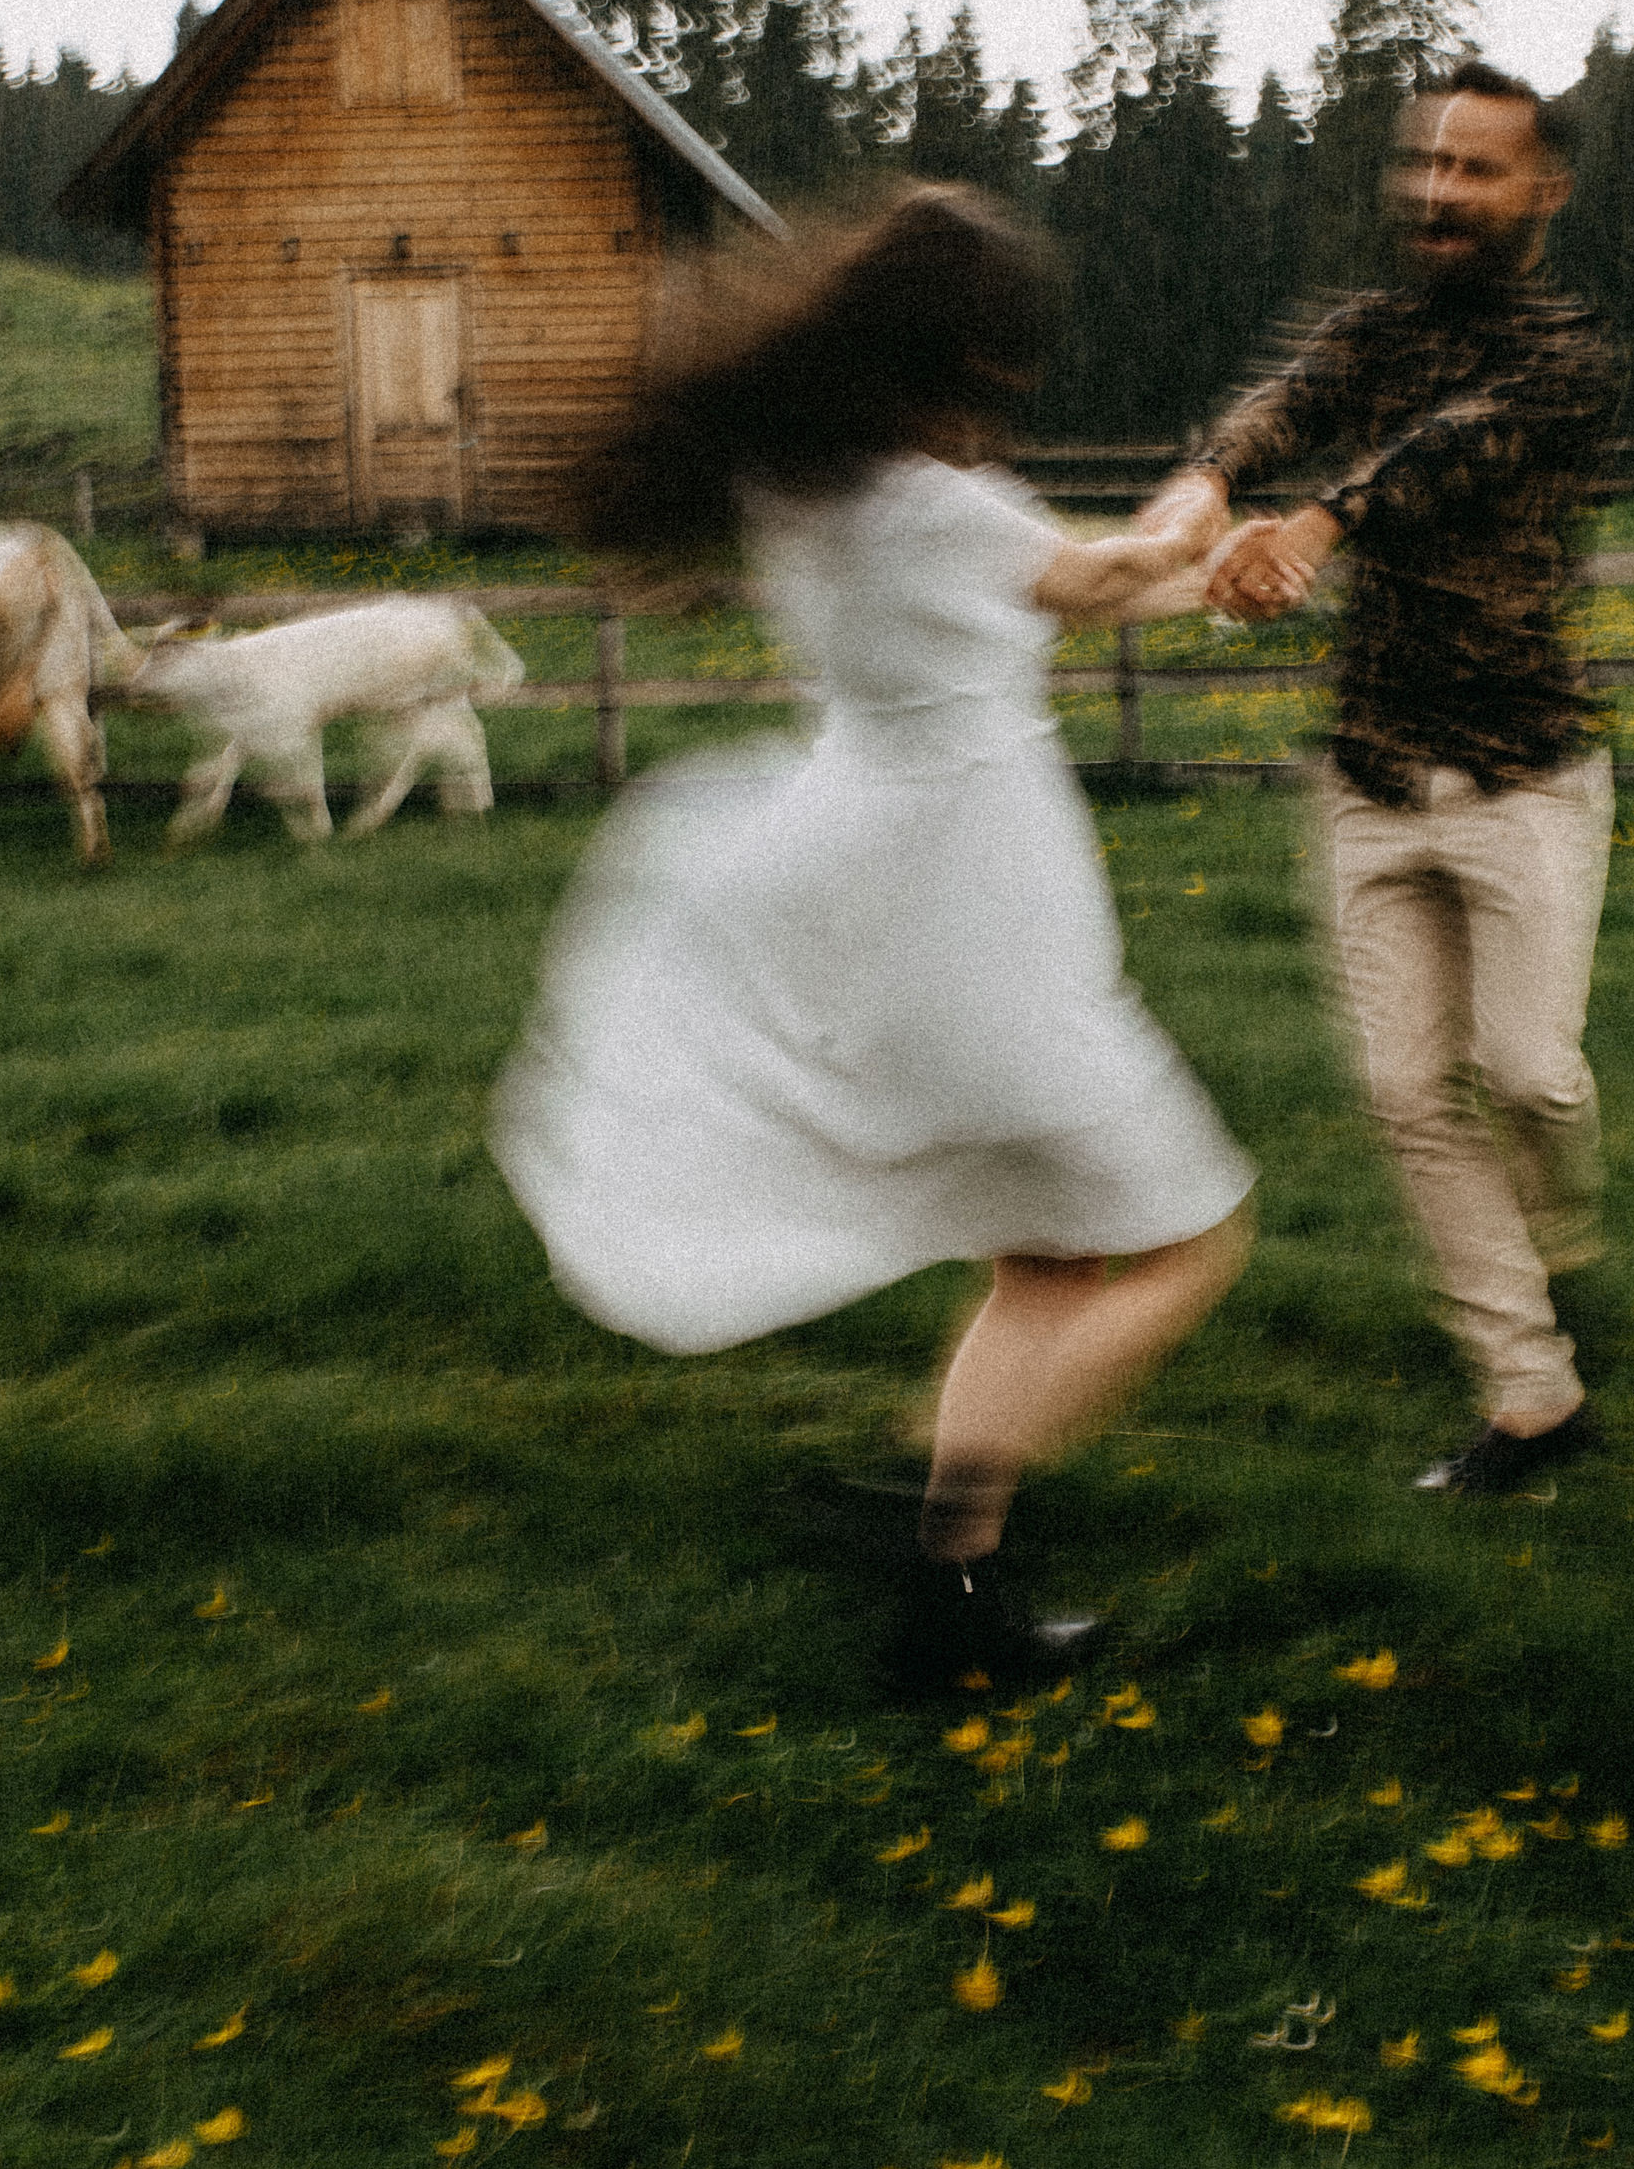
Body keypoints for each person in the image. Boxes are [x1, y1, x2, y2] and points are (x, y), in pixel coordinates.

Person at [491, 187, 1255, 1684]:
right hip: (971, 900)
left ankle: (951, 1582)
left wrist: (1179, 556)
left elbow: (1060, 600)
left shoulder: (801, 485)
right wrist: (1200, 503)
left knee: (1049, 1256)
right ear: (961, 354)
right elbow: (1104, 582)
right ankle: (945, 1511)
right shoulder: (934, 507)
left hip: (869, 867)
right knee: (1185, 1236)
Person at [1144, 58, 1623, 1496]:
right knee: (1409, 1093)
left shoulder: (1565, 354)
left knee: (1529, 1079)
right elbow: (1291, 400)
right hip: (1369, 779)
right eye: (1424, 162)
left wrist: (1318, 524)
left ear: (1542, 192)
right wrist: (1210, 489)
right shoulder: (1371, 330)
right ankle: (1532, 1397)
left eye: (1475, 169)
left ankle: (1568, 1240)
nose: (1437, 190)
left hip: (1523, 775)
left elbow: (1447, 455)